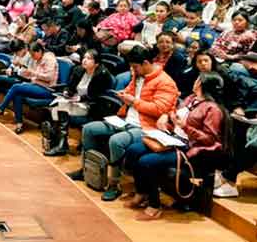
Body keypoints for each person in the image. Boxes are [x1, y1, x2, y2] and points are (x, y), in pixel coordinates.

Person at [68, 45, 180, 201]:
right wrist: (124, 95)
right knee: (89, 129)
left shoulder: (165, 82)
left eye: (135, 67)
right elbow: (129, 91)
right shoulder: (138, 76)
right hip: (125, 119)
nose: (132, 71)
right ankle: (86, 168)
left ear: (146, 63)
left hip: (146, 126)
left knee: (116, 141)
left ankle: (114, 184)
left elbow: (160, 109)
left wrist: (133, 101)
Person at [123, 72, 224, 220]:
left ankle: (154, 205)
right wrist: (168, 119)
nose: (194, 81)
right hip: (173, 138)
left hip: (189, 147)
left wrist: (185, 127)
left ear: (202, 84)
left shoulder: (213, 109)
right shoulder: (191, 99)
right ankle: (141, 192)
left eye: (197, 79)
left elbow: (209, 139)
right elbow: (175, 112)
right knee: (134, 150)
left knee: (147, 162)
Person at [44, 49, 113, 156]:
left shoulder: (102, 75)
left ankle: (60, 143)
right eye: (84, 57)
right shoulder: (78, 70)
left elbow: (97, 95)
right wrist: (67, 92)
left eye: (89, 58)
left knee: (61, 109)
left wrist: (80, 98)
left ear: (97, 63)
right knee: (56, 106)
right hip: (76, 102)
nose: (84, 60)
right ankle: (59, 142)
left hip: (92, 106)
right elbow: (70, 86)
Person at [0, 42, 59, 134]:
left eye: (33, 55)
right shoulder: (38, 58)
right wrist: (26, 72)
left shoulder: (49, 59)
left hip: (47, 89)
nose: (33, 57)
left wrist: (32, 73)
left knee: (16, 87)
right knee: (18, 94)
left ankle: (0, 108)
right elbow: (33, 74)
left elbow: (49, 77)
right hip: (36, 85)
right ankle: (19, 123)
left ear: (39, 51)